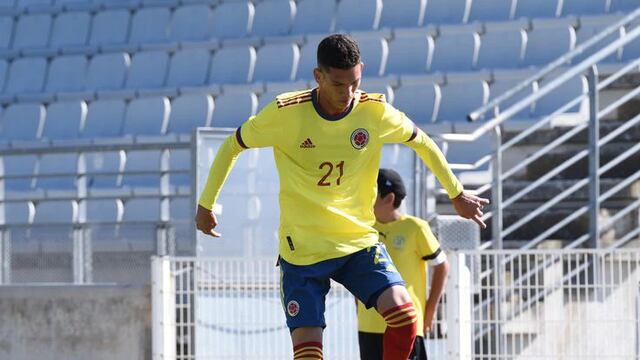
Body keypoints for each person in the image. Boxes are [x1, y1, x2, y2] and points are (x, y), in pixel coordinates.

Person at [195, 34, 489, 360]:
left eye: (355, 82)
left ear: (361, 71)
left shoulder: (373, 112)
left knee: (405, 317)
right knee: (308, 354)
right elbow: (232, 145)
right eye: (338, 84)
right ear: (318, 76)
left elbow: (422, 142)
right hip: (302, 251)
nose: (348, 93)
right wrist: (207, 204)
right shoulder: (285, 113)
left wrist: (456, 192)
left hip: (357, 243)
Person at [357, 168, 449, 360]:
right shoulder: (363, 230)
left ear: (389, 199)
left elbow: (441, 266)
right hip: (369, 326)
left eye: (371, 192)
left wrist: (430, 311)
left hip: (407, 323)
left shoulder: (416, 228)